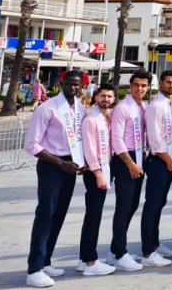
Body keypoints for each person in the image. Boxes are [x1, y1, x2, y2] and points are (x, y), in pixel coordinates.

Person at [23, 70, 86, 288]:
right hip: (52, 166)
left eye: (77, 85)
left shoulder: (80, 109)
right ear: (61, 83)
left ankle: (46, 260)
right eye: (69, 84)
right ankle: (34, 269)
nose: (73, 88)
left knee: (59, 215)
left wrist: (81, 161)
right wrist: (61, 163)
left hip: (71, 166)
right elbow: (32, 145)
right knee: (45, 215)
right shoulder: (47, 108)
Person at [109, 70, 150, 272]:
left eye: (143, 86)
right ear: (130, 85)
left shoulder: (143, 107)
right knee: (124, 206)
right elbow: (116, 139)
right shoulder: (122, 108)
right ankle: (119, 253)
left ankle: (116, 247)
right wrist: (130, 164)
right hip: (126, 159)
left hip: (139, 156)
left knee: (133, 205)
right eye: (136, 85)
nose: (139, 89)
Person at [139, 70, 172, 267]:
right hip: (159, 162)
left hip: (169, 160)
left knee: (159, 204)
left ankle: (155, 244)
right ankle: (147, 252)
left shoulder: (168, 104)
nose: (171, 86)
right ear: (160, 83)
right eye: (168, 82)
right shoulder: (155, 106)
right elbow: (154, 139)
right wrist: (168, 160)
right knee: (152, 205)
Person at [78, 83, 117, 277]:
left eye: (110, 97)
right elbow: (89, 149)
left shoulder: (106, 119)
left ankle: (83, 258)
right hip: (96, 173)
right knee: (93, 216)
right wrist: (98, 173)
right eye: (103, 96)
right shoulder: (91, 120)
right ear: (96, 97)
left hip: (104, 169)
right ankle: (90, 262)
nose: (106, 99)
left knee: (95, 214)